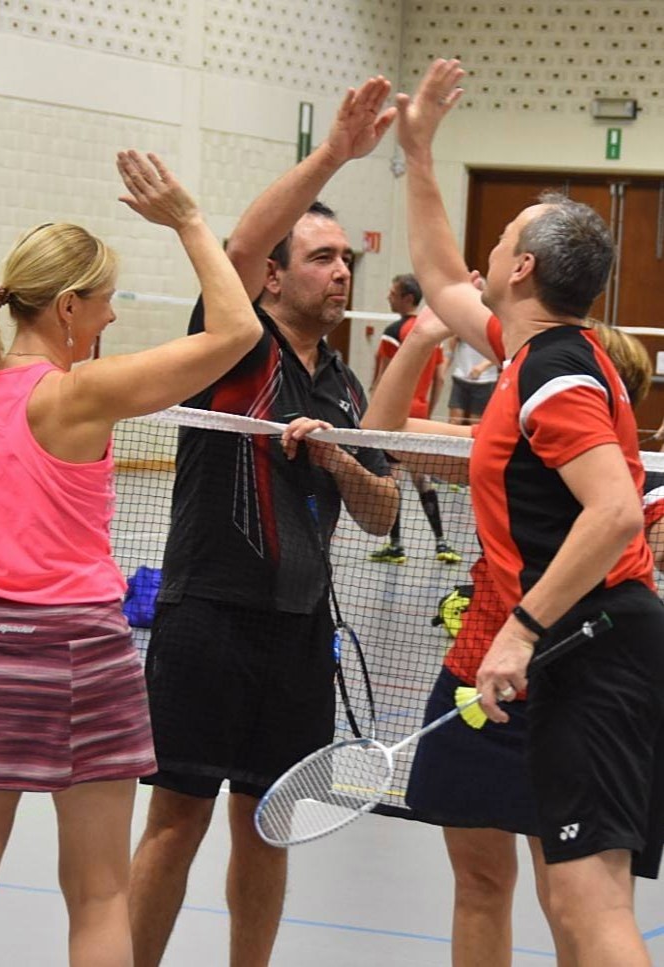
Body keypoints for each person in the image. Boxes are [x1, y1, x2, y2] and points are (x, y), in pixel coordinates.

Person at [0, 152, 263, 967]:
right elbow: (238, 332)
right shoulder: (81, 393)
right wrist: (190, 222)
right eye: (109, 301)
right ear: (70, 304)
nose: (113, 318)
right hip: (81, 651)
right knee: (98, 892)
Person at [395, 57, 664, 966]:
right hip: (579, 643)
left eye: (501, 234)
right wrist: (419, 150)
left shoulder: (552, 373)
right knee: (579, 896)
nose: (480, 254)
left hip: (585, 643)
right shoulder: (530, 351)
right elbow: (436, 273)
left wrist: (515, 628)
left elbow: (616, 513)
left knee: (586, 908)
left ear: (520, 267)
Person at [128, 77, 400, 967]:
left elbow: (383, 509)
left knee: (268, 821)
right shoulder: (234, 344)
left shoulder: (348, 386)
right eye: (321, 257)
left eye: (345, 259)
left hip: (298, 635)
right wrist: (334, 155)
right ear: (275, 276)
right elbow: (239, 241)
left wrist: (340, 457)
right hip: (208, 614)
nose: (341, 271)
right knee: (178, 813)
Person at [364, 314, 657, 966]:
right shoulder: (503, 448)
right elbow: (383, 435)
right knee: (478, 881)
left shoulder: (634, 485)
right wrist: (419, 338)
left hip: (570, 687)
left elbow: (635, 536)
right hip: (474, 678)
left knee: (571, 898)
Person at [369, 274, 460, 565]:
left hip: (393, 417)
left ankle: (396, 546)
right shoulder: (429, 332)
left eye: (393, 292)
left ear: (407, 298)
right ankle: (442, 543)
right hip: (420, 413)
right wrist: (427, 409)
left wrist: (376, 406)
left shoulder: (393, 332)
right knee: (421, 478)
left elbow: (382, 375)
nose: (388, 297)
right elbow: (440, 376)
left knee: (392, 477)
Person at [445, 334, 498, 425]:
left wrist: (483, 366)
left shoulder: (496, 326)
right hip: (461, 376)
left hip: (485, 380)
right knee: (455, 419)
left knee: (474, 422)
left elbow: (502, 352)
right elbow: (450, 348)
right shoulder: (464, 324)